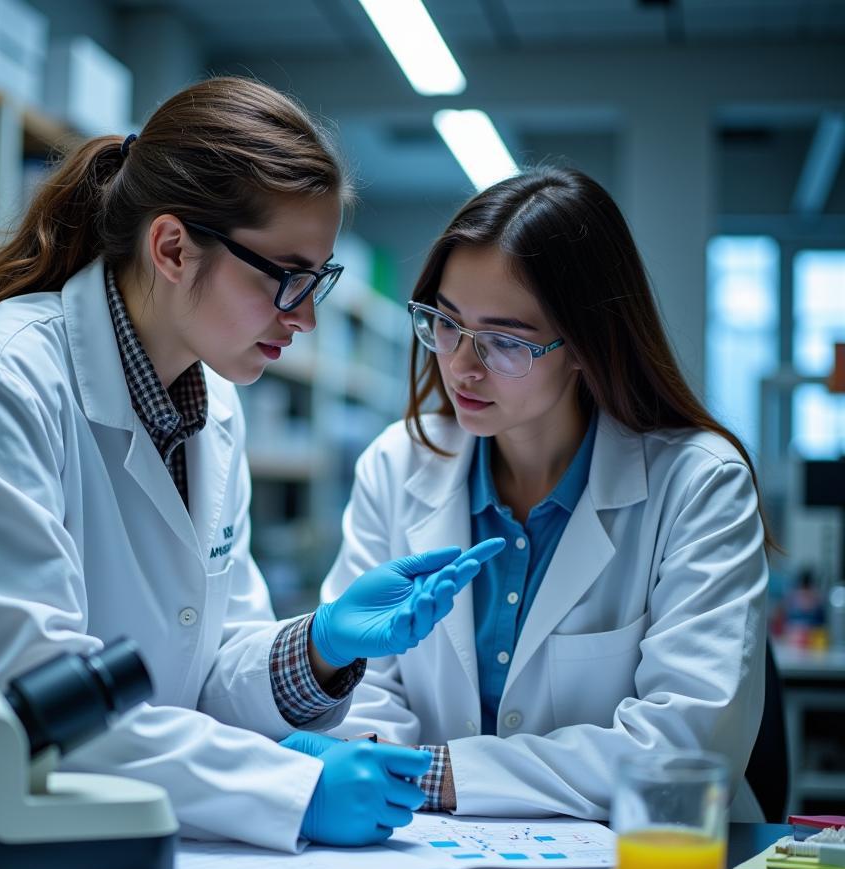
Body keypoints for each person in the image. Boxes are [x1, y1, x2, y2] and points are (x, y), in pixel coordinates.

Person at [0, 77, 503, 851]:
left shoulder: (213, 404)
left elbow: (206, 668)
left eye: (320, 280)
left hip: (75, 826)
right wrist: (290, 788)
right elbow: (37, 700)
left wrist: (321, 646)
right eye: (289, 277)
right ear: (173, 248)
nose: (307, 316)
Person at [321, 167, 771, 822]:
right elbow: (362, 689)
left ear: (585, 346)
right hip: (431, 856)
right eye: (446, 324)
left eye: (505, 341)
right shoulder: (397, 465)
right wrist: (384, 765)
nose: (463, 366)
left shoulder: (700, 483)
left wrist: (438, 775)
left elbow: (683, 747)